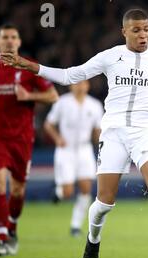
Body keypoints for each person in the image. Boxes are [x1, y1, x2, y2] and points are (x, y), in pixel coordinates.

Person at [0, 8, 148, 258]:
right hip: (113, 132)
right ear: (123, 31)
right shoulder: (110, 56)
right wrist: (30, 65)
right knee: (104, 202)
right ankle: (93, 238)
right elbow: (69, 76)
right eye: (136, 30)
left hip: (147, 131)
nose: (143, 35)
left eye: (146, 29)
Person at [0, 24, 59, 257]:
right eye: (5, 37)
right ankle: (2, 238)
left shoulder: (28, 68)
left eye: (13, 37)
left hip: (22, 138)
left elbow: (53, 96)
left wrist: (30, 96)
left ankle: (12, 225)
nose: (9, 41)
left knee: (18, 190)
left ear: (19, 42)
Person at [44, 80, 103, 237]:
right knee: (68, 192)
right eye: (76, 83)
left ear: (87, 86)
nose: (80, 86)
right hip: (66, 150)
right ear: (71, 86)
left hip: (84, 149)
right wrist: (57, 139)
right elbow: (48, 124)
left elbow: (97, 130)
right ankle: (59, 193)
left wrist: (103, 141)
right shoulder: (62, 103)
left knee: (86, 188)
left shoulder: (95, 105)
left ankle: (75, 226)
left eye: (83, 83)